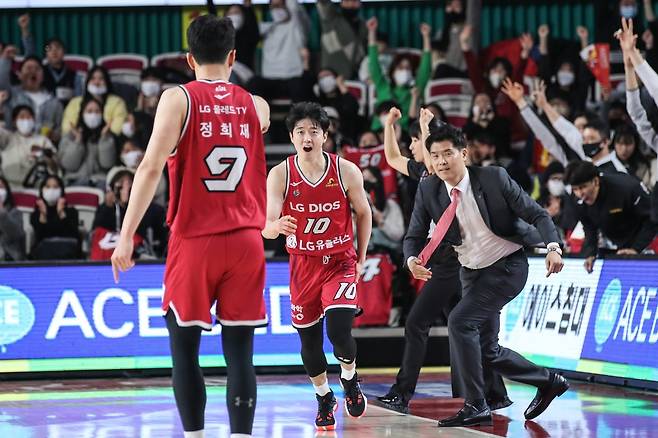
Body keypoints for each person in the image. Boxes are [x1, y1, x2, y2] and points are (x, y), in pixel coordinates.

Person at [111, 15, 271, 438]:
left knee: (184, 352)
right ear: (234, 56)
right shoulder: (258, 106)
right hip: (246, 241)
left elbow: (148, 168)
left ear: (188, 58)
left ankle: (196, 436)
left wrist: (126, 235)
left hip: (195, 239)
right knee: (240, 354)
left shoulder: (177, 98)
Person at [405, 124, 568, 427]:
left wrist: (553, 247)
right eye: (435, 155)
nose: (441, 161)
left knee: (459, 321)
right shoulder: (428, 188)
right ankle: (548, 381)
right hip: (471, 271)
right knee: (485, 348)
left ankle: (476, 404)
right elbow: (413, 235)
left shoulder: (493, 178)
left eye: (448, 154)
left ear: (463, 154)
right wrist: (412, 259)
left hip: (507, 266)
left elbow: (538, 214)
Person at [378, 107, 511, 413]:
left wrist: (426, 127)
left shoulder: (444, 173)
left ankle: (402, 393)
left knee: (416, 323)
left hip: (452, 261)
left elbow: (427, 150)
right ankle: (492, 394)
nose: (412, 149)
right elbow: (392, 158)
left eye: (413, 143)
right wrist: (389, 126)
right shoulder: (425, 175)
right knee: (464, 327)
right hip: (446, 261)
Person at [262, 102, 371, 431]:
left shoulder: (345, 170)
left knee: (339, 332)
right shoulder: (280, 173)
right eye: (300, 132)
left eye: (313, 131)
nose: (306, 137)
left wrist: (361, 255)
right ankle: (324, 396)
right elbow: (265, 225)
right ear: (292, 137)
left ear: (325, 135)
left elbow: (363, 212)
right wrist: (277, 227)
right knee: (309, 344)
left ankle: (350, 379)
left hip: (339, 262)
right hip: (303, 265)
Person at [565, 160, 657, 273]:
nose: (580, 194)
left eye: (583, 187)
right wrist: (591, 253)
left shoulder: (626, 188)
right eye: (575, 189)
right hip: (616, 239)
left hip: (647, 238)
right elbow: (589, 227)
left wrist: (636, 248)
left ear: (595, 181)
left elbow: (652, 219)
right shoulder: (576, 199)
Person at [61, 65, 127, 137]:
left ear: (107, 82)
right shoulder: (75, 103)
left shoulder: (117, 102)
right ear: (87, 82)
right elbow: (66, 128)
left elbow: (117, 129)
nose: (96, 82)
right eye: (93, 78)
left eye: (101, 79)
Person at [30, 175, 80, 260]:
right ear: (42, 190)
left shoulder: (71, 212)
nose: (51, 190)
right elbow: (39, 238)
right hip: (44, 256)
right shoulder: (36, 213)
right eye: (48, 187)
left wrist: (61, 213)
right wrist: (43, 215)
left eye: (55, 187)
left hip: (68, 256)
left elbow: (73, 235)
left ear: (61, 190)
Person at [0, 175, 25, 261]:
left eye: (0, 187)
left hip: (9, 260)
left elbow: (16, 234)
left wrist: (1, 212)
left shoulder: (15, 212)